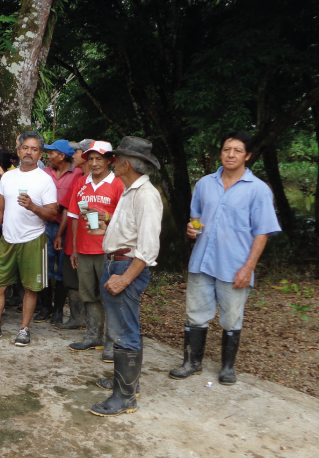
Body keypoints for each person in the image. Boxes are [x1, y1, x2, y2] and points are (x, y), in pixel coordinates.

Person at [169, 131, 281, 385]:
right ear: (220, 153)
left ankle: (227, 368)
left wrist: (248, 268)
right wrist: (192, 229)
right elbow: (196, 218)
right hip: (202, 261)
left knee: (231, 317)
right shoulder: (205, 183)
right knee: (195, 313)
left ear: (247, 156)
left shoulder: (258, 190)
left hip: (235, 265)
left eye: (237, 150)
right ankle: (192, 362)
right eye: (226, 149)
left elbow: (262, 232)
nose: (231, 154)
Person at [82, 137, 163, 417]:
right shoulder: (131, 191)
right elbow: (131, 233)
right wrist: (106, 224)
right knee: (121, 328)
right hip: (117, 263)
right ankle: (126, 383)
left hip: (125, 268)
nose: (111, 163)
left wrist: (125, 278)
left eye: (115, 160)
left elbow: (149, 247)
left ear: (127, 164)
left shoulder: (145, 195)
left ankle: (125, 396)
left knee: (125, 331)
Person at [0, 131, 58, 347]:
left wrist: (32, 206)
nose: (29, 152)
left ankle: (24, 329)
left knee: (30, 288)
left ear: (40, 154)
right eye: (25, 148)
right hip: (8, 240)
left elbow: (52, 214)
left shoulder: (45, 180)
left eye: (34, 149)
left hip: (33, 239)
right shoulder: (8, 177)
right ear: (19, 150)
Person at [67, 141, 125, 363]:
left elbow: (125, 220)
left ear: (109, 160)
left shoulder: (118, 184)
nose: (93, 163)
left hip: (108, 250)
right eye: (90, 158)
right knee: (89, 294)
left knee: (109, 295)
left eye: (98, 159)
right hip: (83, 248)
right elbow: (73, 217)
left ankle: (112, 342)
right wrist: (73, 248)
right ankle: (93, 336)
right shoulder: (81, 183)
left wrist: (105, 218)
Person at [33, 140, 78, 325]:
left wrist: (60, 233)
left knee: (62, 271)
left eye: (52, 153)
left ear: (62, 155)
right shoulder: (45, 173)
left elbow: (71, 207)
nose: (48, 156)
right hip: (44, 225)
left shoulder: (77, 174)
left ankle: (59, 310)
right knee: (44, 268)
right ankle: (46, 308)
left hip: (66, 228)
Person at [53, 139, 94, 329]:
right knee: (71, 279)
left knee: (92, 283)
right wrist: (61, 235)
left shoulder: (103, 182)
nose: (74, 155)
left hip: (93, 243)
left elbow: (92, 218)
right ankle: (77, 318)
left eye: (77, 151)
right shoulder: (79, 180)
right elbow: (69, 211)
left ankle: (94, 324)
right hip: (73, 238)